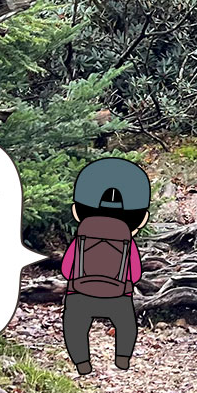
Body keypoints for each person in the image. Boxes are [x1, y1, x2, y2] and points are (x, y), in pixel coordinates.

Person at [59, 157, 150, 374]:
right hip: (118, 296)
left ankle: (82, 363)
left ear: (76, 211)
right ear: (142, 219)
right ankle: (122, 358)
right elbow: (135, 274)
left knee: (74, 326)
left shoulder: (81, 236)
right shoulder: (127, 239)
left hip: (79, 294)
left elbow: (66, 269)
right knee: (126, 324)